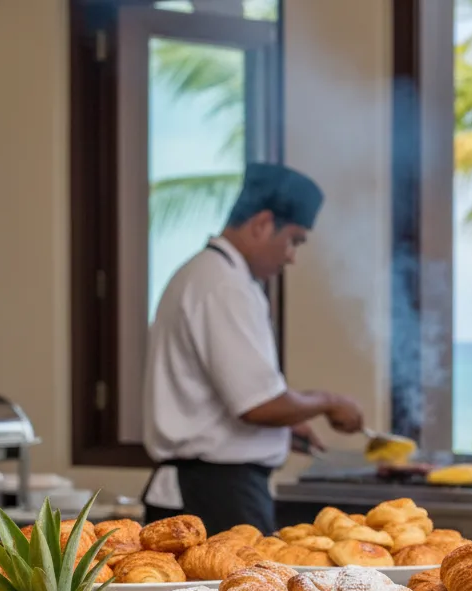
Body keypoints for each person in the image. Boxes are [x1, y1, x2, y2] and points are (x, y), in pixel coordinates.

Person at [141, 162, 364, 535]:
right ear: (262, 223)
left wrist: (284, 429)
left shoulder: (202, 273)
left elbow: (220, 401)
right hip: (216, 496)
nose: (292, 256)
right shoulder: (225, 285)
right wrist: (328, 402)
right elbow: (256, 405)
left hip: (207, 490)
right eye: (294, 239)